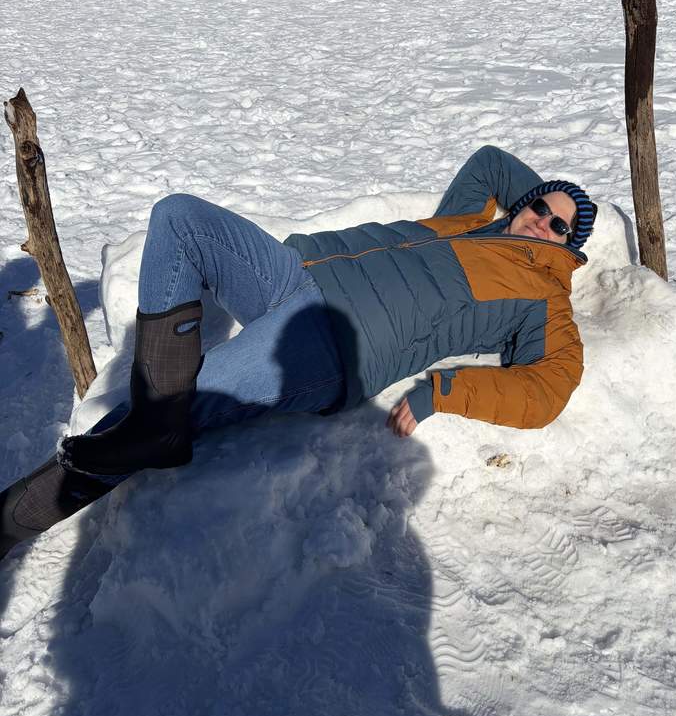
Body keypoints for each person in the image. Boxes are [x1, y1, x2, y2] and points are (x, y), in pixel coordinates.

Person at [0, 145, 597, 559]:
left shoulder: (546, 298)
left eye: (559, 227)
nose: (542, 222)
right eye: (539, 207)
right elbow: (492, 163)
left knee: (135, 422)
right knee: (179, 217)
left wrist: (444, 392)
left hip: (330, 344)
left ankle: (12, 519)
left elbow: (550, 387)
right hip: (295, 272)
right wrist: (544, 200)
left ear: (571, 248)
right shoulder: (467, 223)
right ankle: (159, 420)